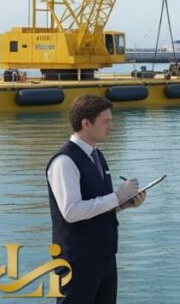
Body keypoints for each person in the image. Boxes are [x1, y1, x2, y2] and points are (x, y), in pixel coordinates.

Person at [46, 94, 145, 304]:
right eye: (106, 121)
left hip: (104, 255)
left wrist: (123, 204)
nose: (112, 126)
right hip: (77, 260)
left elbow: (95, 204)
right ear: (86, 124)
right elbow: (71, 212)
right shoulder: (64, 161)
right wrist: (117, 196)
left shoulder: (97, 156)